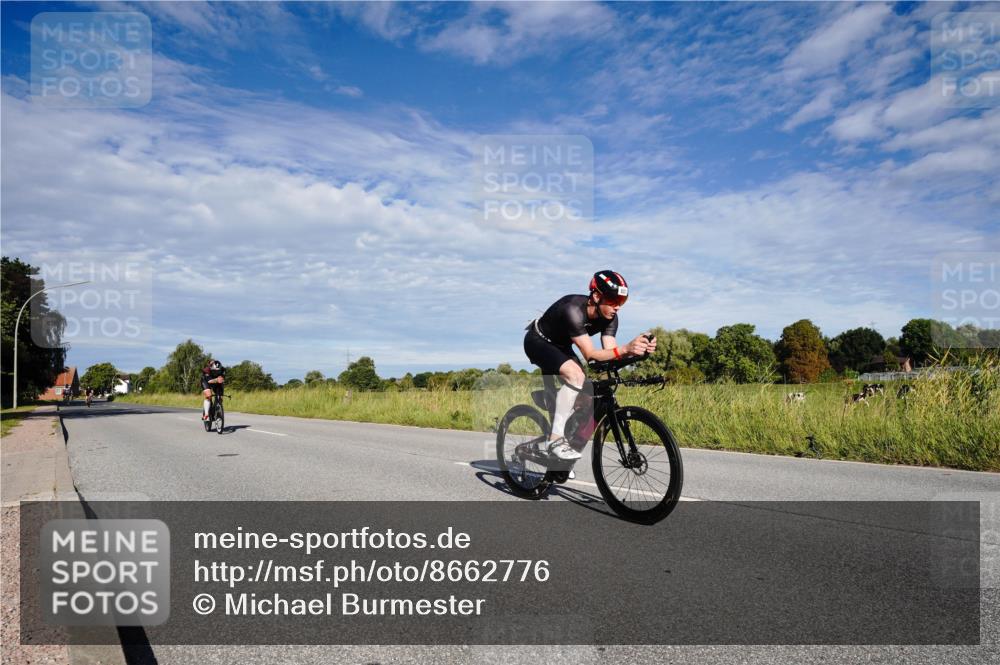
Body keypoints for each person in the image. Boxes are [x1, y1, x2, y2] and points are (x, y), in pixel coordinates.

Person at [524, 270, 656, 461]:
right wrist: (626, 348)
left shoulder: (611, 318)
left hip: (561, 346)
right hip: (538, 342)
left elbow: (609, 355)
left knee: (588, 399)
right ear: (596, 296)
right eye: (613, 300)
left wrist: (639, 352)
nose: (617, 307)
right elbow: (591, 355)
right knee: (575, 376)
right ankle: (555, 440)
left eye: (622, 302)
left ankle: (557, 459)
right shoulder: (573, 310)